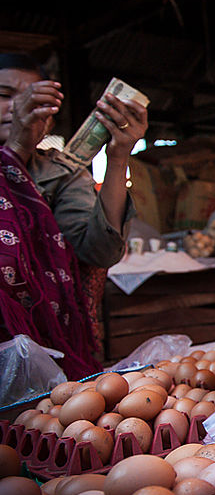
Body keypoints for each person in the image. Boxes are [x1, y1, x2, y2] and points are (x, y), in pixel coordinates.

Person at [0, 53, 147, 378]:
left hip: (51, 353)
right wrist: (16, 149)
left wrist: (119, 156)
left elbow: (100, 250)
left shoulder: (60, 171)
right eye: (5, 95)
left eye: (34, 99)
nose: (17, 107)